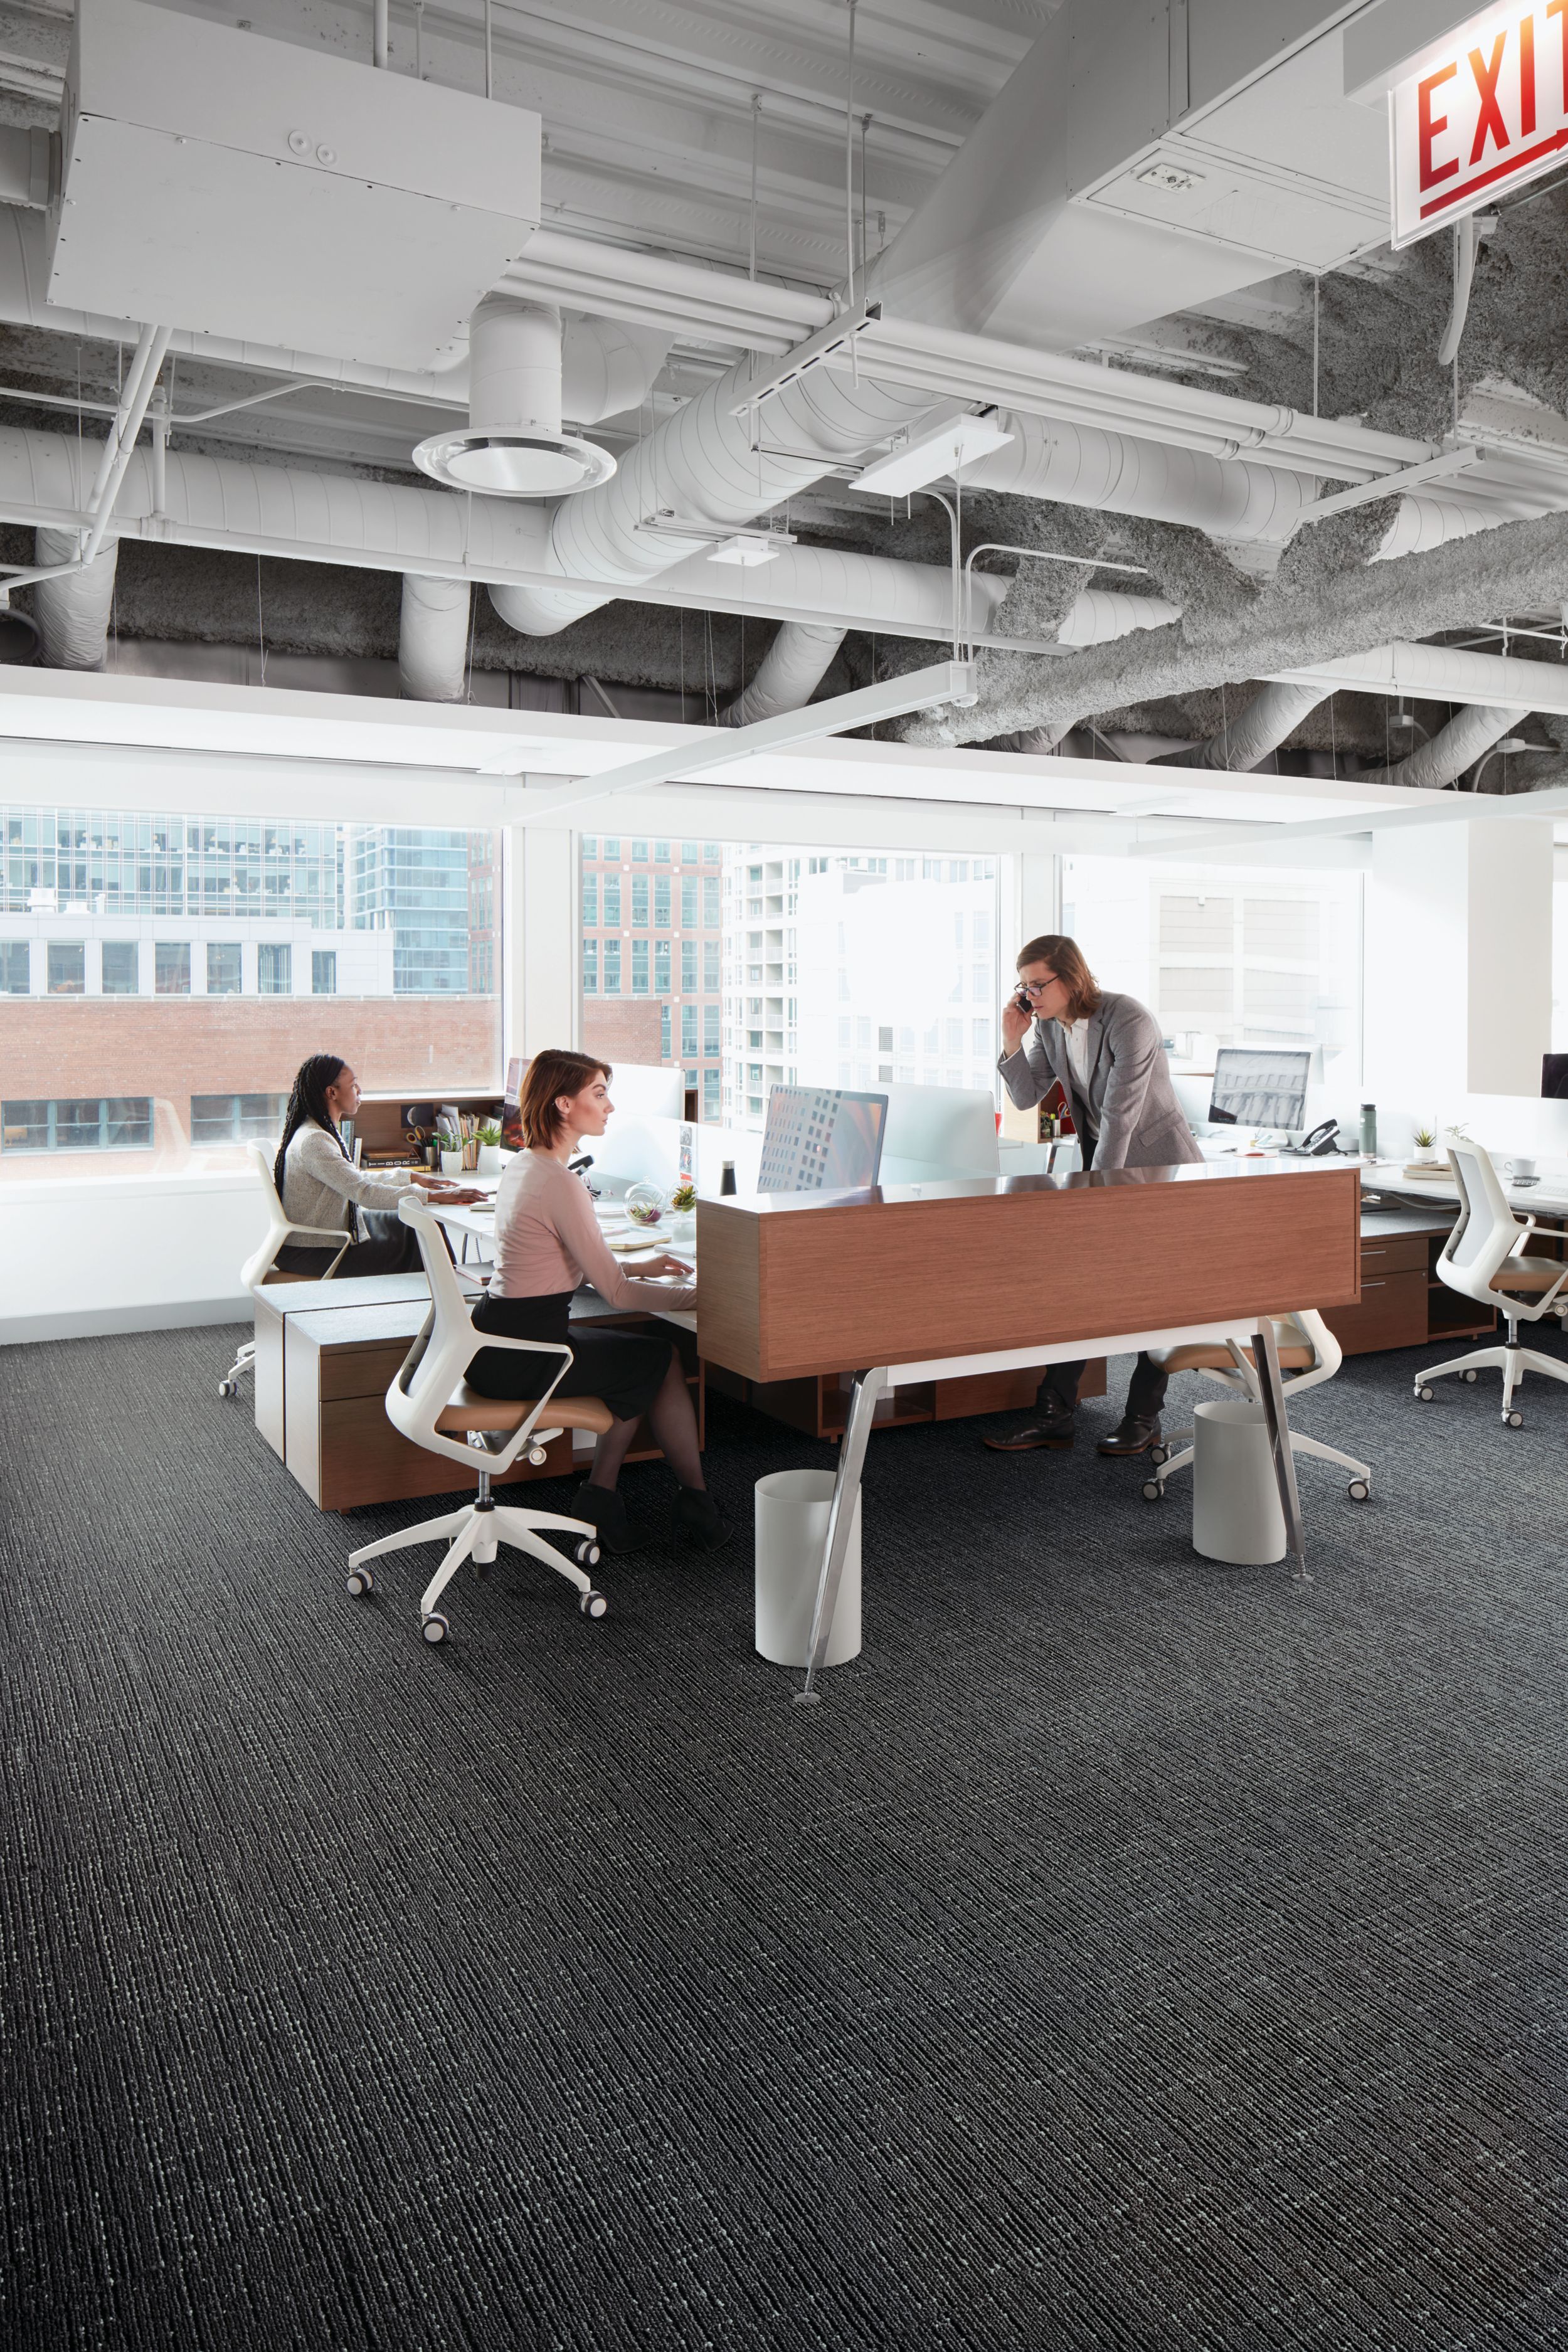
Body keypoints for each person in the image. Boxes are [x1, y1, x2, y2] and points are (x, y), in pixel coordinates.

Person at [466, 1047, 728, 1558]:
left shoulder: (528, 1166)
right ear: (565, 1104)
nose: (609, 1107)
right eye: (600, 1094)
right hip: (529, 1356)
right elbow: (617, 1295)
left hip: (496, 1342)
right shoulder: (561, 1183)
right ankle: (689, 1503)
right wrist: (704, 1298)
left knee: (638, 1361)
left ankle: (604, 1497)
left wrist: (638, 1264)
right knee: (659, 1358)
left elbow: (561, 1262)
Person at [984, 933, 1201, 1461]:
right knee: (1081, 1289)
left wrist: (1098, 1200)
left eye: (1038, 984)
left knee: (1157, 1293)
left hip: (1160, 1168)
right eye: (1024, 986)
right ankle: (1054, 1413)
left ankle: (1143, 1419)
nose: (1030, 995)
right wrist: (1013, 1040)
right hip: (1106, 1169)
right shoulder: (1052, 1030)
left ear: (1071, 977)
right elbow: (1026, 1096)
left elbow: (1122, 1117)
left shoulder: (1129, 1020)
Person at [273, 1053, 484, 1278]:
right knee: (423, 1236)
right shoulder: (315, 1141)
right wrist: (432, 1195)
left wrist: (410, 1177)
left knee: (422, 1224)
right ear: (331, 1093)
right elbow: (364, 1193)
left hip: (330, 1234)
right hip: (314, 1250)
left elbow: (356, 1179)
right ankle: (446, 1299)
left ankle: (444, 1298)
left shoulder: (319, 1130)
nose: (360, 1090)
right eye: (353, 1085)